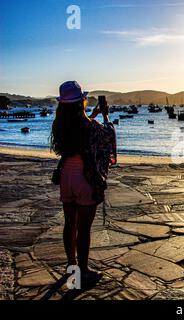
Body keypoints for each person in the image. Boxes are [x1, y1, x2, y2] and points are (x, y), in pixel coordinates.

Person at [50, 81, 117, 285]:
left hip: (66, 176)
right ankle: (83, 270)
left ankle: (71, 266)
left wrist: (93, 116)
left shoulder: (59, 124)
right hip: (85, 178)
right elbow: (108, 136)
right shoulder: (90, 127)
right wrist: (104, 115)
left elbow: (78, 136)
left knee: (70, 224)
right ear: (82, 102)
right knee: (84, 228)